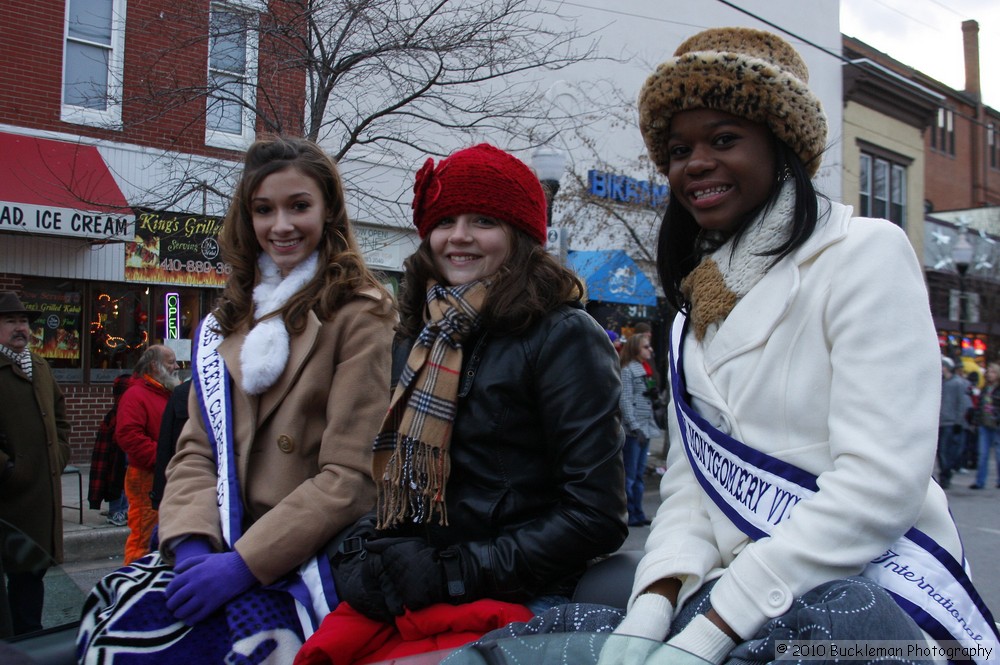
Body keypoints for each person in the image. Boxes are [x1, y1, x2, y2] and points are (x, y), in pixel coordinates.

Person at [602, 27, 999, 665]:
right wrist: (653, 605)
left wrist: (711, 632)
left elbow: (879, 485)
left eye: (724, 139)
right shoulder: (688, 315)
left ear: (781, 145)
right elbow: (688, 490)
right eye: (679, 149)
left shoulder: (865, 254)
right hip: (736, 600)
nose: (695, 163)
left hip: (862, 605)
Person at [300, 143, 627, 662]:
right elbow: (396, 484)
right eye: (445, 219)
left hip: (522, 598)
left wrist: (455, 570)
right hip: (426, 591)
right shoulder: (420, 335)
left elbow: (595, 515)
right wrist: (362, 554)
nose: (459, 237)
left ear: (520, 237)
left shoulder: (564, 335)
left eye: (483, 220)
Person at [78, 135, 395, 663]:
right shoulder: (229, 319)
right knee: (111, 617)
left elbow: (352, 477)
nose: (282, 225)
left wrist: (243, 566)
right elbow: (196, 451)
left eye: (299, 206)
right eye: (263, 210)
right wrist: (195, 549)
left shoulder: (360, 314)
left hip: (300, 557)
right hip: (216, 544)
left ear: (328, 211)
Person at [0, 291, 70, 637]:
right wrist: (9, 469)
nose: (20, 329)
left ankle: (28, 638)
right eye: (11, 321)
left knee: (32, 572)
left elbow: (60, 419)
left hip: (40, 498)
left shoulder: (39, 366)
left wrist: (58, 454)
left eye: (24, 322)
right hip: (7, 496)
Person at [116, 344, 180, 563]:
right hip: (146, 476)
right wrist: (162, 458)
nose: (177, 366)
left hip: (166, 473)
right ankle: (132, 581)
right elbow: (129, 436)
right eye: (171, 362)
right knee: (143, 536)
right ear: (155, 366)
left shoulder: (165, 393)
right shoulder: (136, 394)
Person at [619, 333, 661, 526]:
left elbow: (648, 397)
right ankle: (628, 513)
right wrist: (635, 427)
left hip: (646, 425)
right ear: (636, 349)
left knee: (639, 474)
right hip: (634, 430)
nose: (650, 350)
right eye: (646, 347)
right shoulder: (627, 370)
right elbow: (625, 399)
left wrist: (655, 398)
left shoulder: (646, 369)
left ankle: (638, 511)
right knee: (630, 474)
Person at [87, 374, 131, 527]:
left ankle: (122, 510)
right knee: (117, 479)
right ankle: (116, 510)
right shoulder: (115, 416)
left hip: (123, 453)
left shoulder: (118, 414)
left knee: (123, 480)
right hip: (117, 455)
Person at [149, 377, 190, 511]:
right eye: (171, 362)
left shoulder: (179, 393)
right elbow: (165, 445)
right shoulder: (181, 393)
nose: (177, 366)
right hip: (184, 480)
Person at [937, 356, 969, 489]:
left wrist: (958, 421)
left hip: (950, 422)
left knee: (946, 451)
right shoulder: (941, 382)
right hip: (940, 421)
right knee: (940, 451)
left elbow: (961, 403)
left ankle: (946, 474)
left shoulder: (957, 383)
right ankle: (945, 473)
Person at [970, 362, 1000, 489]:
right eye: (988, 372)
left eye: (992, 372)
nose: (989, 374)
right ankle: (980, 481)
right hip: (984, 424)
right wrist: (976, 420)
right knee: (983, 454)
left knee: (999, 455)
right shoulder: (985, 388)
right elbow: (979, 406)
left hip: (997, 424)